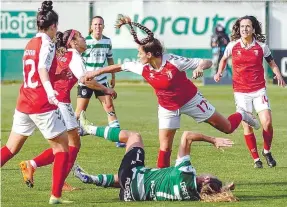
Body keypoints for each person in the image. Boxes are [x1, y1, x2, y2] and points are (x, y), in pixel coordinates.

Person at [80, 14, 260, 169]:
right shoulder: (142, 66)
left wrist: (199, 68)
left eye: (140, 52)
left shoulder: (173, 61)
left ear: (150, 54)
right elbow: (118, 66)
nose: (138, 56)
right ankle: (161, 180)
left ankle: (242, 114)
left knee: (227, 128)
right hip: (167, 107)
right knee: (165, 147)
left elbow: (207, 62)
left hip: (191, 100)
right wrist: (95, 72)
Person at [19, 30, 117, 191]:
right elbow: (86, 81)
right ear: (73, 42)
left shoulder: (61, 54)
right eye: (81, 37)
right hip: (61, 102)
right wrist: (106, 89)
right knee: (73, 143)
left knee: (64, 144)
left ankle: (33, 165)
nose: (85, 39)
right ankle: (59, 181)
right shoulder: (74, 56)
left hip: (50, 100)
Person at [73, 111, 238, 202]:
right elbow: (209, 191)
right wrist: (221, 190)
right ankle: (92, 179)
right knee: (136, 179)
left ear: (206, 180)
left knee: (134, 137)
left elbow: (187, 135)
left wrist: (213, 139)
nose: (205, 174)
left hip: (131, 175)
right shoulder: (194, 197)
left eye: (208, 176)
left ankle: (87, 129)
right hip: (131, 196)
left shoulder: (186, 174)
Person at [0, 1, 72, 204]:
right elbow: (41, 70)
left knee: (11, 148)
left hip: (24, 102)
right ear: (53, 26)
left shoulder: (30, 43)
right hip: (40, 102)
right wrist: (51, 93)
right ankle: (56, 196)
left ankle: (55, 194)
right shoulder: (47, 43)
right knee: (62, 149)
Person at [214, 15, 286, 168]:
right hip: (240, 92)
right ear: (238, 29)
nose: (244, 29)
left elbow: (271, 62)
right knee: (247, 125)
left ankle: (266, 151)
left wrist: (278, 74)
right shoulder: (232, 45)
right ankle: (256, 159)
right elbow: (223, 59)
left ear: (253, 29)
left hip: (259, 90)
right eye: (242, 27)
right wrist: (219, 72)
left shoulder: (261, 46)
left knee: (267, 122)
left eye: (248, 26)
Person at [77, 15, 125, 147]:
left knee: (109, 107)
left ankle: (118, 138)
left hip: (102, 80)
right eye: (95, 24)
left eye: (100, 24)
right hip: (87, 81)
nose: (98, 27)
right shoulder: (85, 42)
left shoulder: (107, 41)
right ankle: (71, 135)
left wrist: (113, 76)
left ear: (103, 26)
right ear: (91, 27)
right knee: (80, 111)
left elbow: (110, 59)